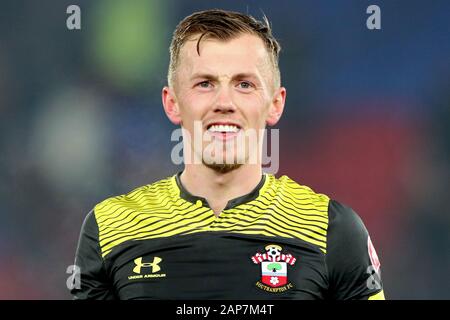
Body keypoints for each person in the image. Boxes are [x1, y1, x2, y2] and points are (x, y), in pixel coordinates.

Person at [70, 9, 385, 300]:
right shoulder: (109, 228)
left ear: (276, 104)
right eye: (205, 83)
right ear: (172, 103)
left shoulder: (333, 230)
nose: (224, 102)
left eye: (244, 84)